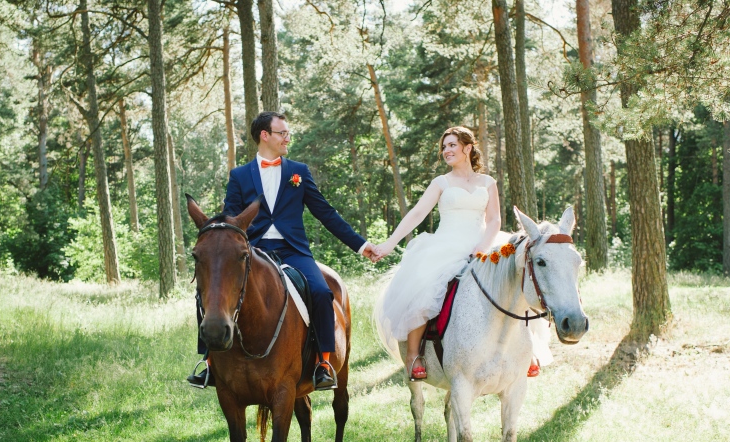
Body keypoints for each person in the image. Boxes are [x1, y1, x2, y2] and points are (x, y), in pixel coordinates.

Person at [188, 111, 378, 390]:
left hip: (294, 251)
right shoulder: (239, 175)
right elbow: (231, 217)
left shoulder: (299, 172)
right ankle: (208, 363)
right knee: (209, 292)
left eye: (288, 133)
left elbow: (326, 213)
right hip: (254, 252)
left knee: (321, 292)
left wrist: (361, 245)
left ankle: (323, 363)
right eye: (283, 133)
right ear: (265, 135)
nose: (288, 138)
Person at [372, 125, 508, 379]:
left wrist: (482, 247)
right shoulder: (441, 182)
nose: (446, 150)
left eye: (452, 145)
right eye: (444, 147)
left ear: (468, 148)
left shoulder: (488, 183)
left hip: (481, 244)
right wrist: (389, 244)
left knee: (516, 278)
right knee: (424, 289)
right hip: (446, 245)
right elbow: (417, 214)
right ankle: (414, 355)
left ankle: (526, 351)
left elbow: (494, 220)